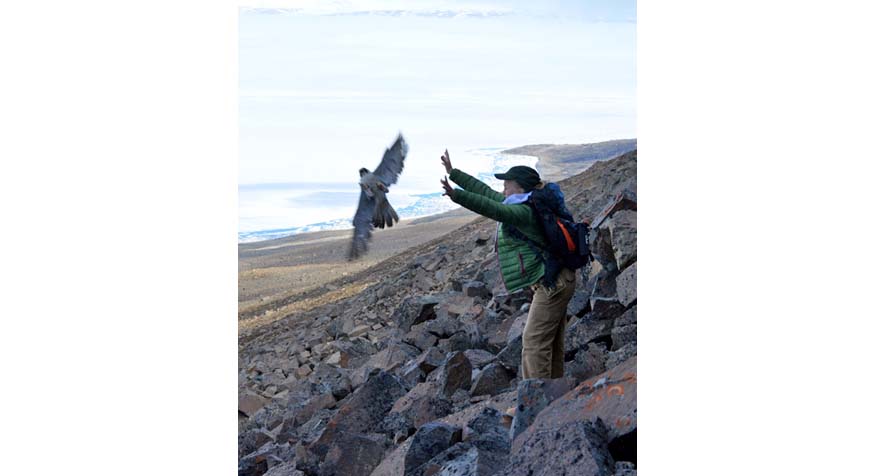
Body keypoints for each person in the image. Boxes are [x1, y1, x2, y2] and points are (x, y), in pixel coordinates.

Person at [439, 149, 576, 379]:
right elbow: (486, 193)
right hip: (558, 280)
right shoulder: (523, 202)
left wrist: (457, 196)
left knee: (533, 342)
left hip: (553, 284)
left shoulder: (522, 211)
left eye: (507, 184)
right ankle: (553, 397)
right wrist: (454, 173)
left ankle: (535, 404)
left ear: (520, 188)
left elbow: (493, 208)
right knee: (549, 342)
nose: (503, 189)